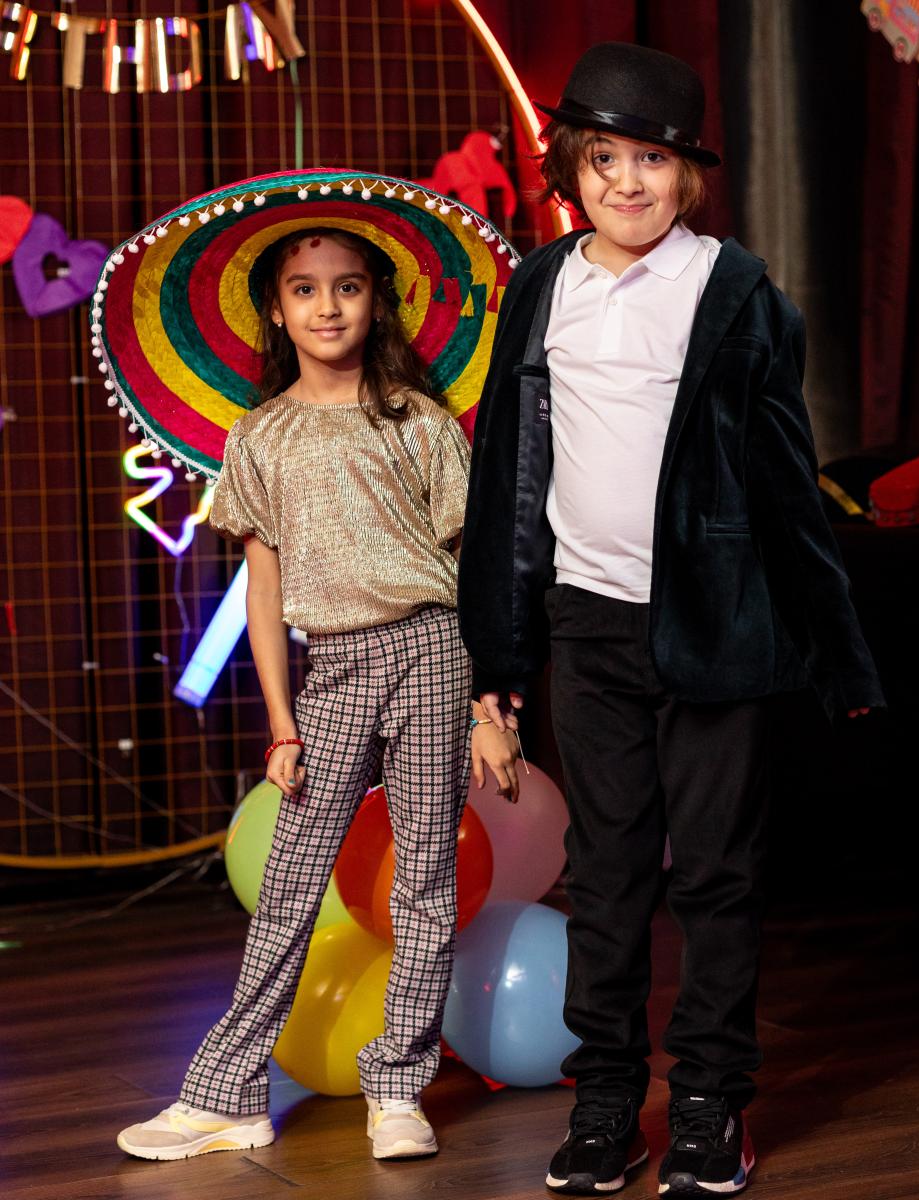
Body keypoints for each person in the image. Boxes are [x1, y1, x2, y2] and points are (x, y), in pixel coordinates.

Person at [457, 42, 884, 1198]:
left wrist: (838, 651)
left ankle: (708, 1105)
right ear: (571, 168)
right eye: (605, 158)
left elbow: (787, 483)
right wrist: (499, 654)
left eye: (652, 159)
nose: (628, 182)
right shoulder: (543, 286)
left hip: (715, 627)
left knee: (717, 875)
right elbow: (508, 478)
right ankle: (606, 1105)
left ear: (688, 176)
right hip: (588, 631)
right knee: (605, 879)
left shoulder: (735, 292)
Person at [115, 175, 519, 1164]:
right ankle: (225, 1094)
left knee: (424, 881)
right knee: (292, 883)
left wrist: (487, 705)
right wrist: (281, 725)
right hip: (332, 666)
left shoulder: (420, 422)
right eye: (305, 288)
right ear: (274, 308)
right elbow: (263, 592)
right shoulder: (259, 436)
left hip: (432, 649)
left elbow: (474, 571)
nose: (327, 306)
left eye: (348, 286)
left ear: (378, 301)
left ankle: (398, 1088)